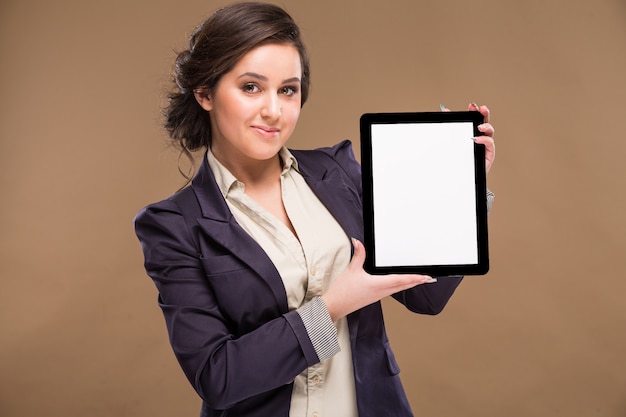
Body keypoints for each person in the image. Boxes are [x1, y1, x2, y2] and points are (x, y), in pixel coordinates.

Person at [134, 2, 496, 417]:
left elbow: (428, 295)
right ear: (205, 93)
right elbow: (219, 377)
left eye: (288, 89)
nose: (274, 110)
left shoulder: (337, 172)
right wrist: (333, 307)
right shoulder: (173, 225)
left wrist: (464, 190)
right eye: (251, 87)